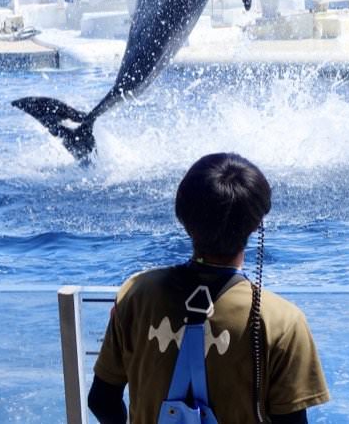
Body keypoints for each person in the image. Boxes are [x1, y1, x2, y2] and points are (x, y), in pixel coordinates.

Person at [88, 153, 330, 423]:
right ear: (255, 223)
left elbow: (101, 400)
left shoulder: (137, 294)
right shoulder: (281, 321)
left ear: (183, 215)